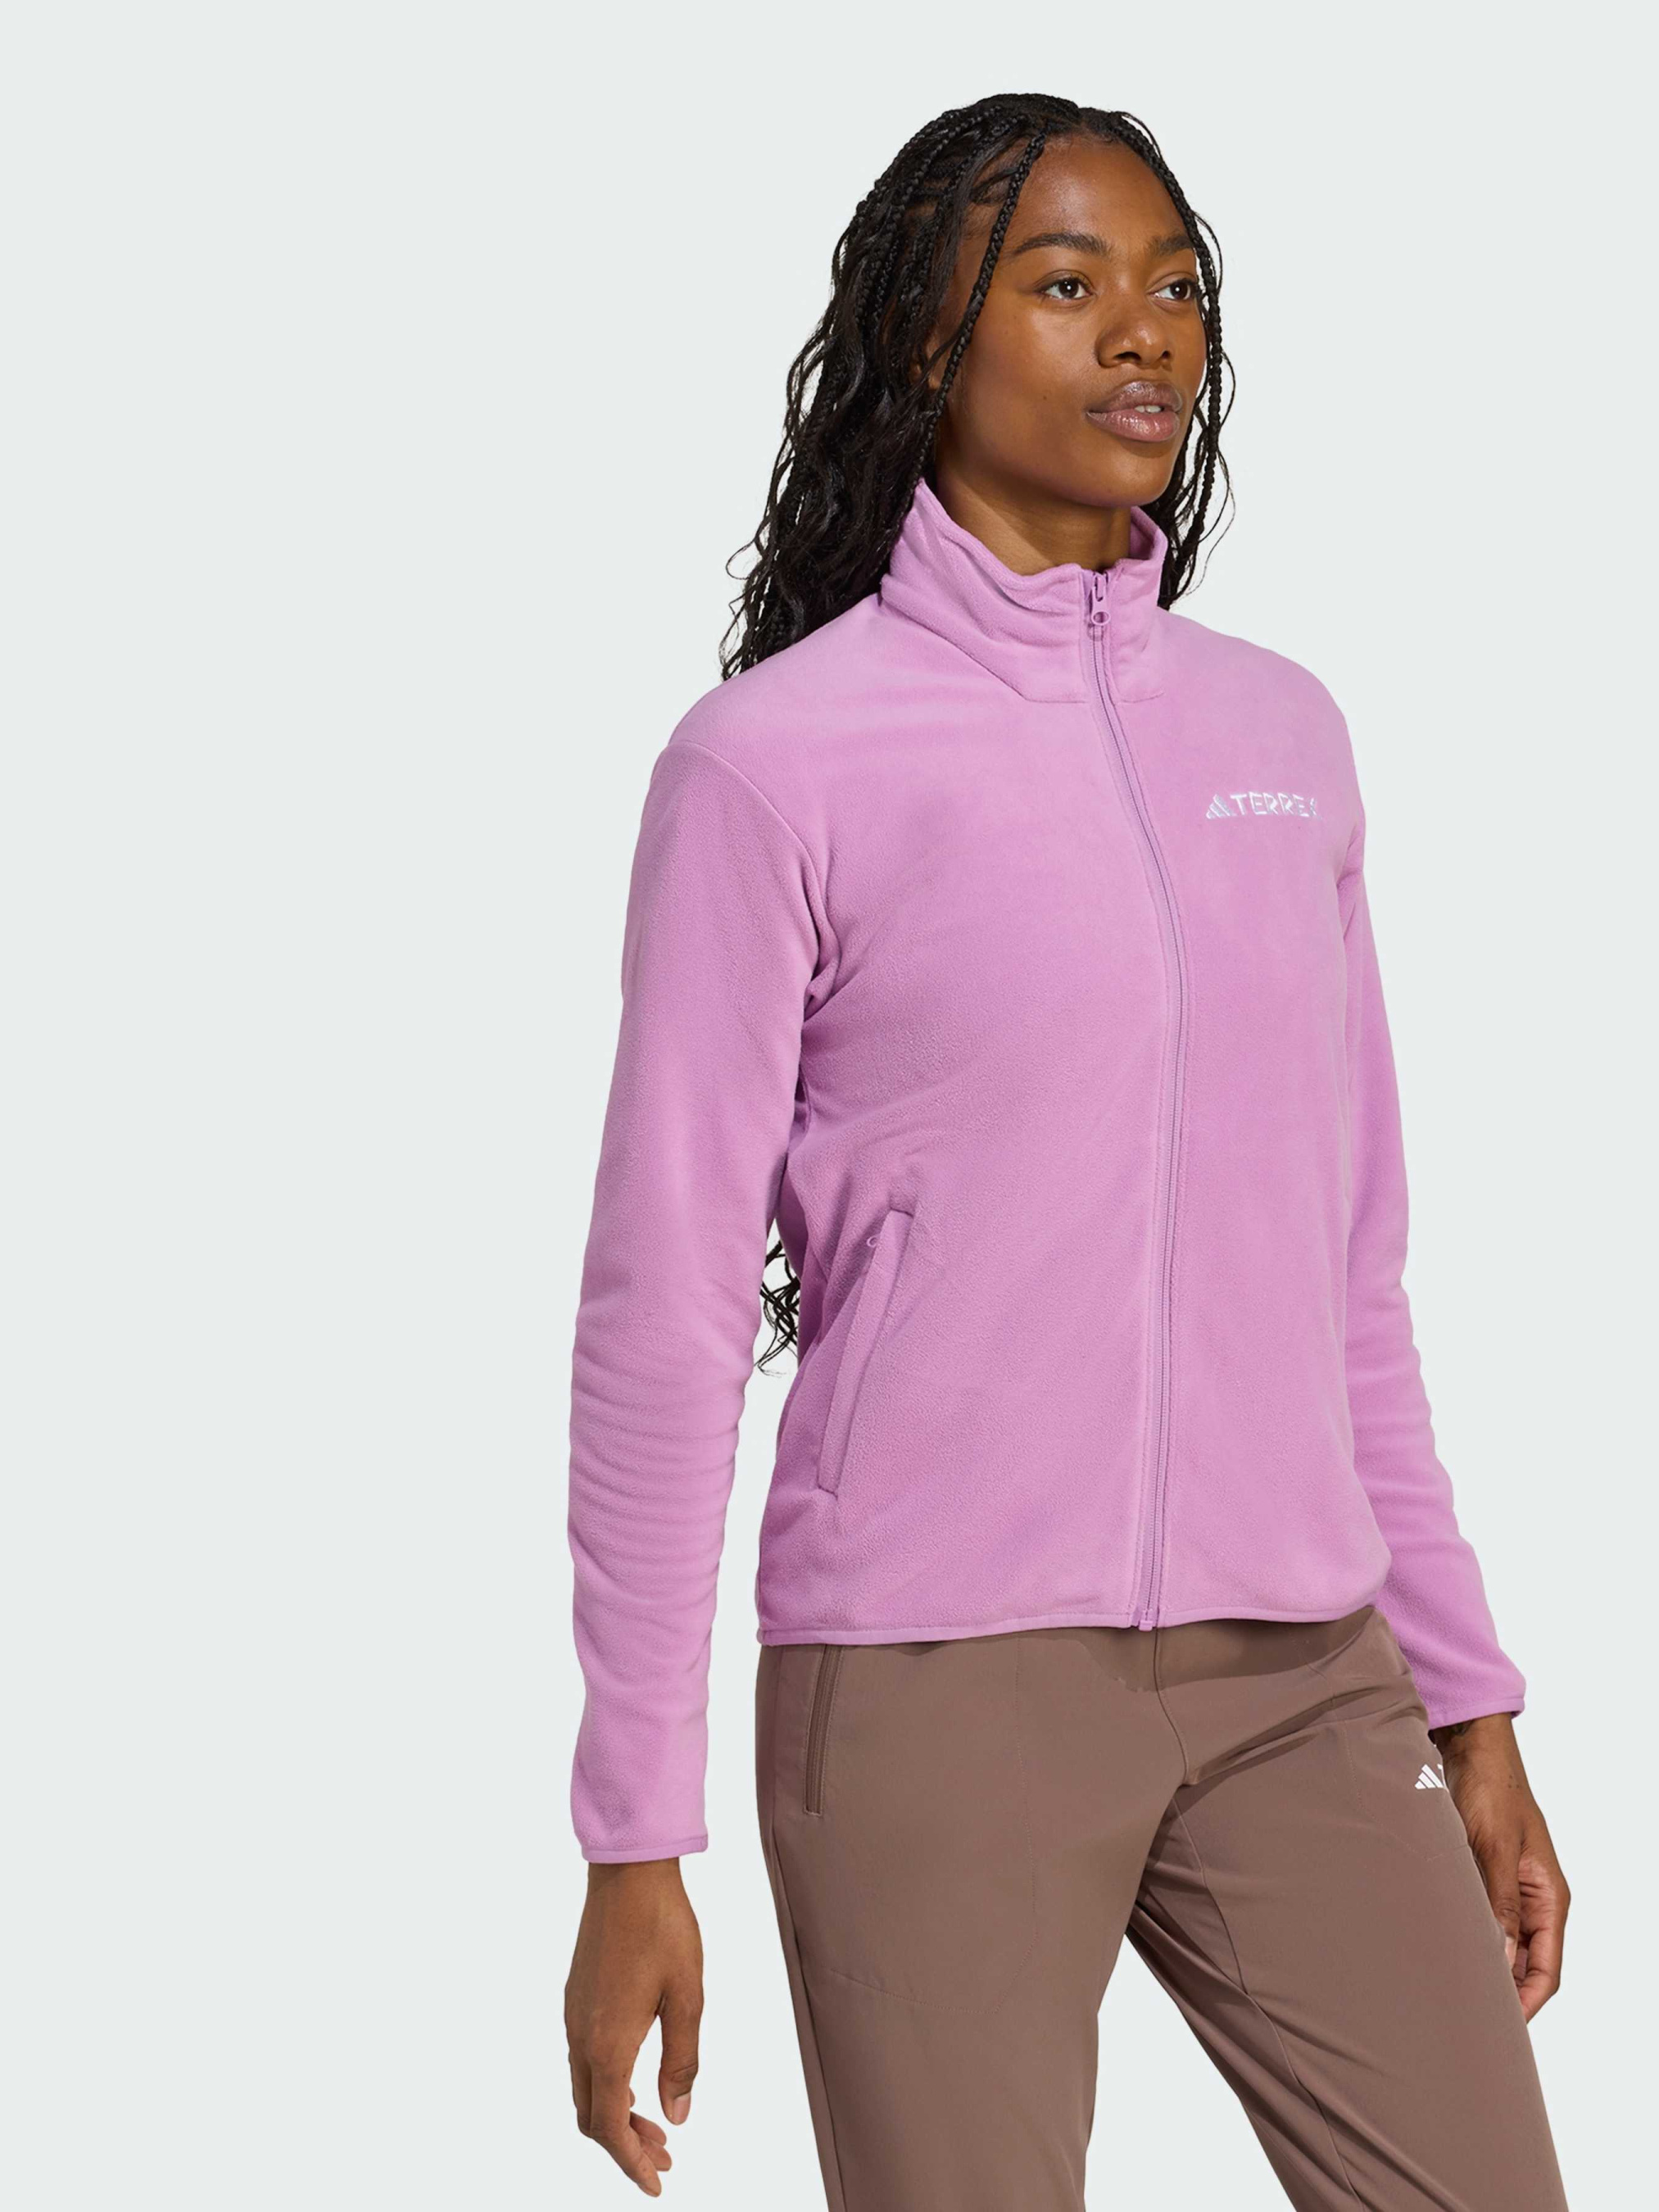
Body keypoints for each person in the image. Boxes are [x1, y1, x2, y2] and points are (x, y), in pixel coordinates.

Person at [561, 93, 1571, 2210]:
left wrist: (1468, 1700)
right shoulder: (772, 767)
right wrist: (634, 1831)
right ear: (922, 340)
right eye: (1064, 281)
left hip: (1302, 1674)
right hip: (934, 1692)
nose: (1143, 332)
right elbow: (664, 1311)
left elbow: (1346, 1271)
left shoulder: (1280, 738)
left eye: (1175, 286)